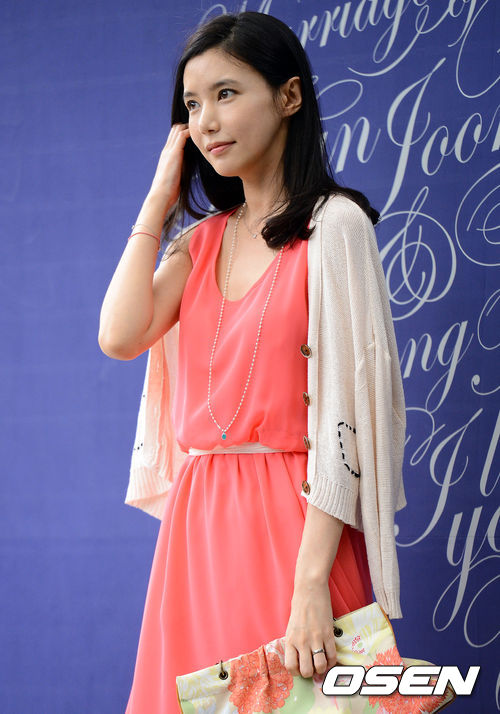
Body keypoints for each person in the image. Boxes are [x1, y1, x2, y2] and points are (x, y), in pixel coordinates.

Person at [98, 11, 407, 713]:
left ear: (289, 96)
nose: (206, 121)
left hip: (297, 527)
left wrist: (311, 584)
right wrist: (158, 202)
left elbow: (348, 421)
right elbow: (118, 335)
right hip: (198, 531)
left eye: (226, 93)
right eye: (191, 104)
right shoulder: (200, 242)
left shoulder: (334, 227)